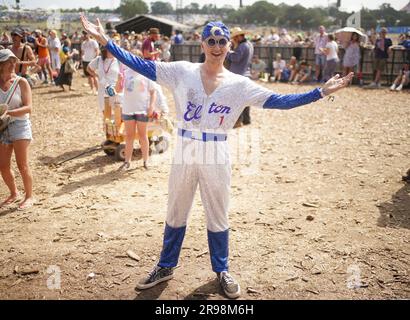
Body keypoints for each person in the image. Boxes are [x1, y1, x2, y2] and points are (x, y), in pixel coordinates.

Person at [81, 15, 353, 299]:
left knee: (218, 212)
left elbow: (279, 101)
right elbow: (141, 65)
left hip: (217, 150)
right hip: (186, 147)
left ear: (229, 46)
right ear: (202, 43)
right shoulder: (181, 71)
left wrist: (320, 92)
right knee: (176, 209)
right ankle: (165, 266)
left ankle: (222, 270)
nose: (216, 46)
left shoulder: (239, 84)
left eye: (222, 41)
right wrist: (105, 40)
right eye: (210, 40)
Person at [0, 49, 34, 210]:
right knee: (3, 166)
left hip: (20, 125)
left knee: (22, 165)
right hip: (2, 127)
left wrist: (8, 113)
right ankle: (14, 193)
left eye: (14, 60)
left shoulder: (21, 82)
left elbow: (28, 108)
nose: (13, 63)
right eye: (9, 61)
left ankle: (29, 196)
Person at [119, 50, 157, 171]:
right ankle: (127, 161)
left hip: (142, 109)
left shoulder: (146, 73)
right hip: (128, 109)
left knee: (143, 136)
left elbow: (153, 92)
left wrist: (151, 106)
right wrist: (118, 80)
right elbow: (118, 89)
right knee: (129, 136)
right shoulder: (125, 73)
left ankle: (145, 161)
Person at [226, 27, 254, 127]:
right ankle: (246, 119)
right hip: (246, 74)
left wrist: (227, 52)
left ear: (238, 36)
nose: (234, 39)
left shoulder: (242, 46)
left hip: (238, 75)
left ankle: (238, 121)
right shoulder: (249, 45)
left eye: (235, 37)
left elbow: (236, 58)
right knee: (245, 99)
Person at [87, 47, 122, 120]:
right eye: (110, 49)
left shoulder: (118, 60)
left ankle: (116, 130)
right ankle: (108, 130)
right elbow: (88, 68)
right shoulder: (99, 59)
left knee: (117, 114)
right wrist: (96, 75)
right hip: (102, 90)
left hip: (115, 90)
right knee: (106, 116)